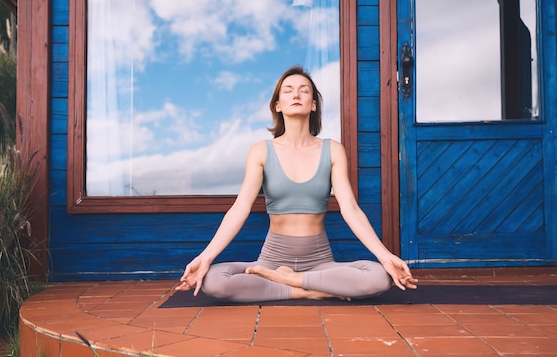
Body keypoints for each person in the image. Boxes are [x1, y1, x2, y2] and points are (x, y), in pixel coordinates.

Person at [176, 65, 417, 302]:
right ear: (278, 105)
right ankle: (309, 290)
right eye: (288, 90)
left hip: (320, 261)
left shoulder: (332, 150)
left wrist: (385, 256)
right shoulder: (261, 151)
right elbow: (240, 207)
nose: (296, 94)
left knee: (378, 277)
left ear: (313, 105)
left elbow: (350, 209)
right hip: (271, 259)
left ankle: (289, 281)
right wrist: (206, 257)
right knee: (214, 280)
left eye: (304, 90)